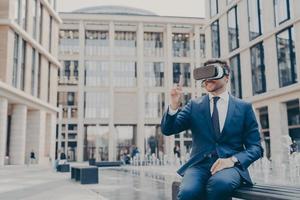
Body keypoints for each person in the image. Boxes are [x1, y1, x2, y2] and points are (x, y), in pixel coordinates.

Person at [161, 59, 263, 200]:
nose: (207, 79)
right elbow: (168, 129)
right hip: (198, 166)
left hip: (230, 167)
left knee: (219, 184)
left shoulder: (244, 107)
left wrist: (232, 160)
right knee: (187, 192)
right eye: (205, 74)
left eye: (213, 73)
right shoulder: (194, 105)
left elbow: (256, 148)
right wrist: (173, 105)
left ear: (227, 78)